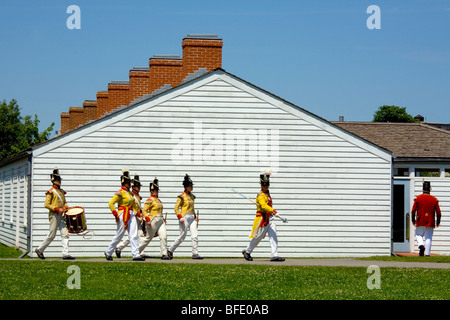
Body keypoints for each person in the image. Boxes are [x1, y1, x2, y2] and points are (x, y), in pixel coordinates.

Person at [242, 171, 284, 262]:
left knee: (273, 236)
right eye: (263, 184)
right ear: (261, 184)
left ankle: (274, 255)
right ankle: (247, 251)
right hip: (263, 219)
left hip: (270, 218)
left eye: (267, 184)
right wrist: (274, 211)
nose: (265, 186)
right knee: (258, 237)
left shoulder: (267, 193)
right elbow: (264, 206)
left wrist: (272, 213)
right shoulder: (260, 195)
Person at [35, 167, 74, 260]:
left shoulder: (61, 191)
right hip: (54, 215)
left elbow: (64, 202)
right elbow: (46, 204)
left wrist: (65, 207)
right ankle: (39, 249)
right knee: (52, 235)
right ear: (54, 181)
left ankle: (65, 254)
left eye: (60, 179)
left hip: (61, 215)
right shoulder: (51, 192)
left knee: (65, 234)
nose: (60, 181)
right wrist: (57, 209)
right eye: (58, 179)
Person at [105, 169, 144, 261]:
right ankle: (108, 252)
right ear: (125, 183)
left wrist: (138, 214)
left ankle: (136, 255)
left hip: (131, 214)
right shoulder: (120, 193)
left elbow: (134, 206)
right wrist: (115, 214)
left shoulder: (130, 194)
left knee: (133, 235)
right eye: (128, 182)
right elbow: (111, 203)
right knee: (119, 235)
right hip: (123, 213)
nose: (130, 184)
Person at [168, 174, 202, 259]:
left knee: (194, 235)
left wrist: (195, 216)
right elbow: (176, 208)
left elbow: (192, 208)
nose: (192, 187)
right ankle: (170, 250)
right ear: (186, 187)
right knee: (182, 236)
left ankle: (195, 253)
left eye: (192, 186)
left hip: (192, 217)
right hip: (185, 217)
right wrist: (180, 217)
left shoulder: (192, 196)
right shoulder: (181, 196)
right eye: (190, 186)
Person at [115, 173, 145, 258]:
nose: (139, 187)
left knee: (135, 235)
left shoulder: (137, 196)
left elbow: (138, 207)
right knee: (135, 235)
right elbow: (132, 207)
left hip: (138, 217)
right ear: (134, 186)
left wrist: (142, 213)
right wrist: (138, 214)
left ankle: (120, 248)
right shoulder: (131, 195)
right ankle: (138, 252)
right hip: (133, 216)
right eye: (138, 186)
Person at [139, 177, 170, 260]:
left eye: (157, 190)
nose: (157, 191)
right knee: (148, 238)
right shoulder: (149, 200)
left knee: (163, 236)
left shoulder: (158, 200)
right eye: (155, 190)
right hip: (153, 220)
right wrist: (148, 220)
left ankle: (164, 253)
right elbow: (144, 210)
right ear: (151, 191)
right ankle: (136, 251)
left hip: (160, 220)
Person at [411, 181, 442, 256]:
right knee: (428, 237)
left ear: (423, 189)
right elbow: (438, 212)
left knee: (418, 235)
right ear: (430, 189)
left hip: (420, 220)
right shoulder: (434, 199)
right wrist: (437, 222)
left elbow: (413, 210)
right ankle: (427, 254)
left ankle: (421, 245)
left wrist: (413, 220)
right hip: (430, 221)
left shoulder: (418, 198)